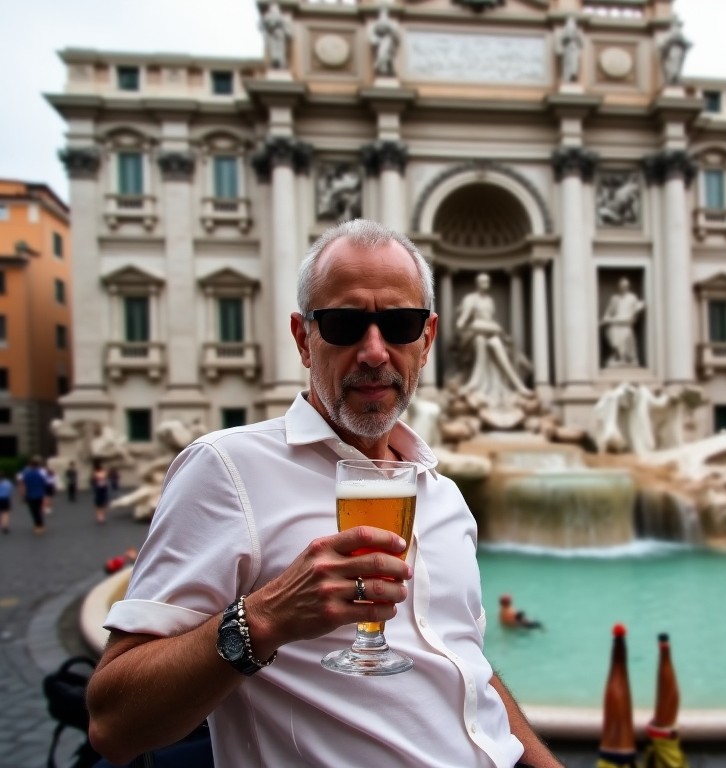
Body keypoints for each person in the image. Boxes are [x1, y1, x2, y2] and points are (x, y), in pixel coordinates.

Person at [86, 219, 560, 768]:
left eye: (400, 324)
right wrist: (264, 619)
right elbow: (113, 724)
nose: (375, 351)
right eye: (343, 324)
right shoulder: (225, 469)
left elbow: (461, 665)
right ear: (302, 338)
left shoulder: (444, 493)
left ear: (426, 339)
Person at [455, 272, 532, 403]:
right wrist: (479, 328)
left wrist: (496, 331)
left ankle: (517, 385)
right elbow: (460, 324)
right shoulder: (471, 299)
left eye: (487, 282)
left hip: (493, 335)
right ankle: (475, 383)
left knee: (495, 342)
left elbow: (490, 321)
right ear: (477, 284)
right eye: (483, 282)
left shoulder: (490, 300)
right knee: (481, 340)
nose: (486, 285)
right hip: (475, 337)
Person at [600, 277, 645, 367]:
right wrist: (605, 318)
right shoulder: (614, 298)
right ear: (619, 287)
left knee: (625, 334)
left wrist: (640, 307)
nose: (623, 287)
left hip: (626, 322)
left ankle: (625, 357)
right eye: (621, 285)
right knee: (611, 331)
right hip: (616, 321)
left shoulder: (632, 297)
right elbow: (608, 312)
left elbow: (636, 309)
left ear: (628, 287)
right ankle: (617, 355)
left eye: (625, 286)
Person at [17, 456, 48, 535]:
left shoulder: (26, 474)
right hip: (40, 494)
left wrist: (22, 496)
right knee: (38, 510)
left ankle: (38, 525)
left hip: (30, 495)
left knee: (33, 511)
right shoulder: (41, 473)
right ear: (38, 465)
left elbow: (22, 485)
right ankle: (40, 525)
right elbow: (45, 483)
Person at [658, 15, 691, 86]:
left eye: (678, 24)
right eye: (677, 23)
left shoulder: (679, 33)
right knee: (672, 65)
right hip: (672, 52)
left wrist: (686, 45)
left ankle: (674, 79)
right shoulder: (669, 32)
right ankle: (672, 79)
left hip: (678, 51)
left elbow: (685, 43)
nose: (678, 26)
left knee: (676, 65)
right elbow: (662, 45)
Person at [369, 6, 401, 77]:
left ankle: (385, 68)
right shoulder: (380, 38)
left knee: (386, 57)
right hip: (384, 49)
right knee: (382, 56)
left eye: (384, 29)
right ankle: (382, 68)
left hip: (389, 50)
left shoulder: (390, 37)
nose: (383, 30)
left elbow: (397, 39)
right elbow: (373, 41)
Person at [259, 1, 291, 70]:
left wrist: (286, 32)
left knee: (279, 50)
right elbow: (261, 25)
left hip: (279, 36)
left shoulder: (281, 17)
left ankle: (280, 63)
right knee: (274, 50)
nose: (274, 10)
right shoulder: (267, 16)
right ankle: (277, 63)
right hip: (272, 35)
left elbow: (286, 28)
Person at [555, 16, 583, 83]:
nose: (571, 26)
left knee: (574, 64)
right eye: (570, 23)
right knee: (567, 64)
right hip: (567, 51)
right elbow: (561, 42)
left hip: (574, 51)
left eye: (573, 24)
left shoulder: (576, 34)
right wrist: (568, 39)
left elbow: (581, 44)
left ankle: (573, 76)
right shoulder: (564, 33)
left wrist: (576, 38)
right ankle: (567, 78)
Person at [92, 460, 110, 524]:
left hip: (101, 489)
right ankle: (100, 517)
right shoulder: (99, 473)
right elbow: (101, 477)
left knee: (101, 504)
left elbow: (99, 478)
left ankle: (101, 517)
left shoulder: (97, 473)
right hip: (100, 489)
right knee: (100, 504)